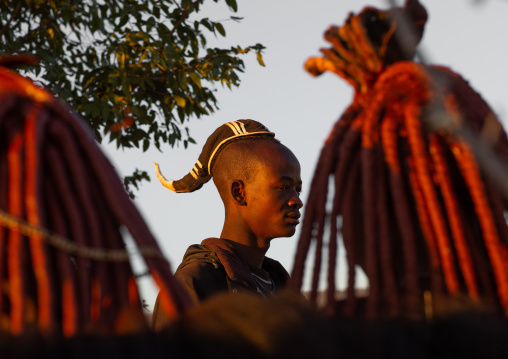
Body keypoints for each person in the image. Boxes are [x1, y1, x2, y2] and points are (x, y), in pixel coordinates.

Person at [152, 120, 303, 329]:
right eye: (283, 187)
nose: (296, 200)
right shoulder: (195, 282)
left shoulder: (284, 287)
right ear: (239, 193)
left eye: (297, 190)